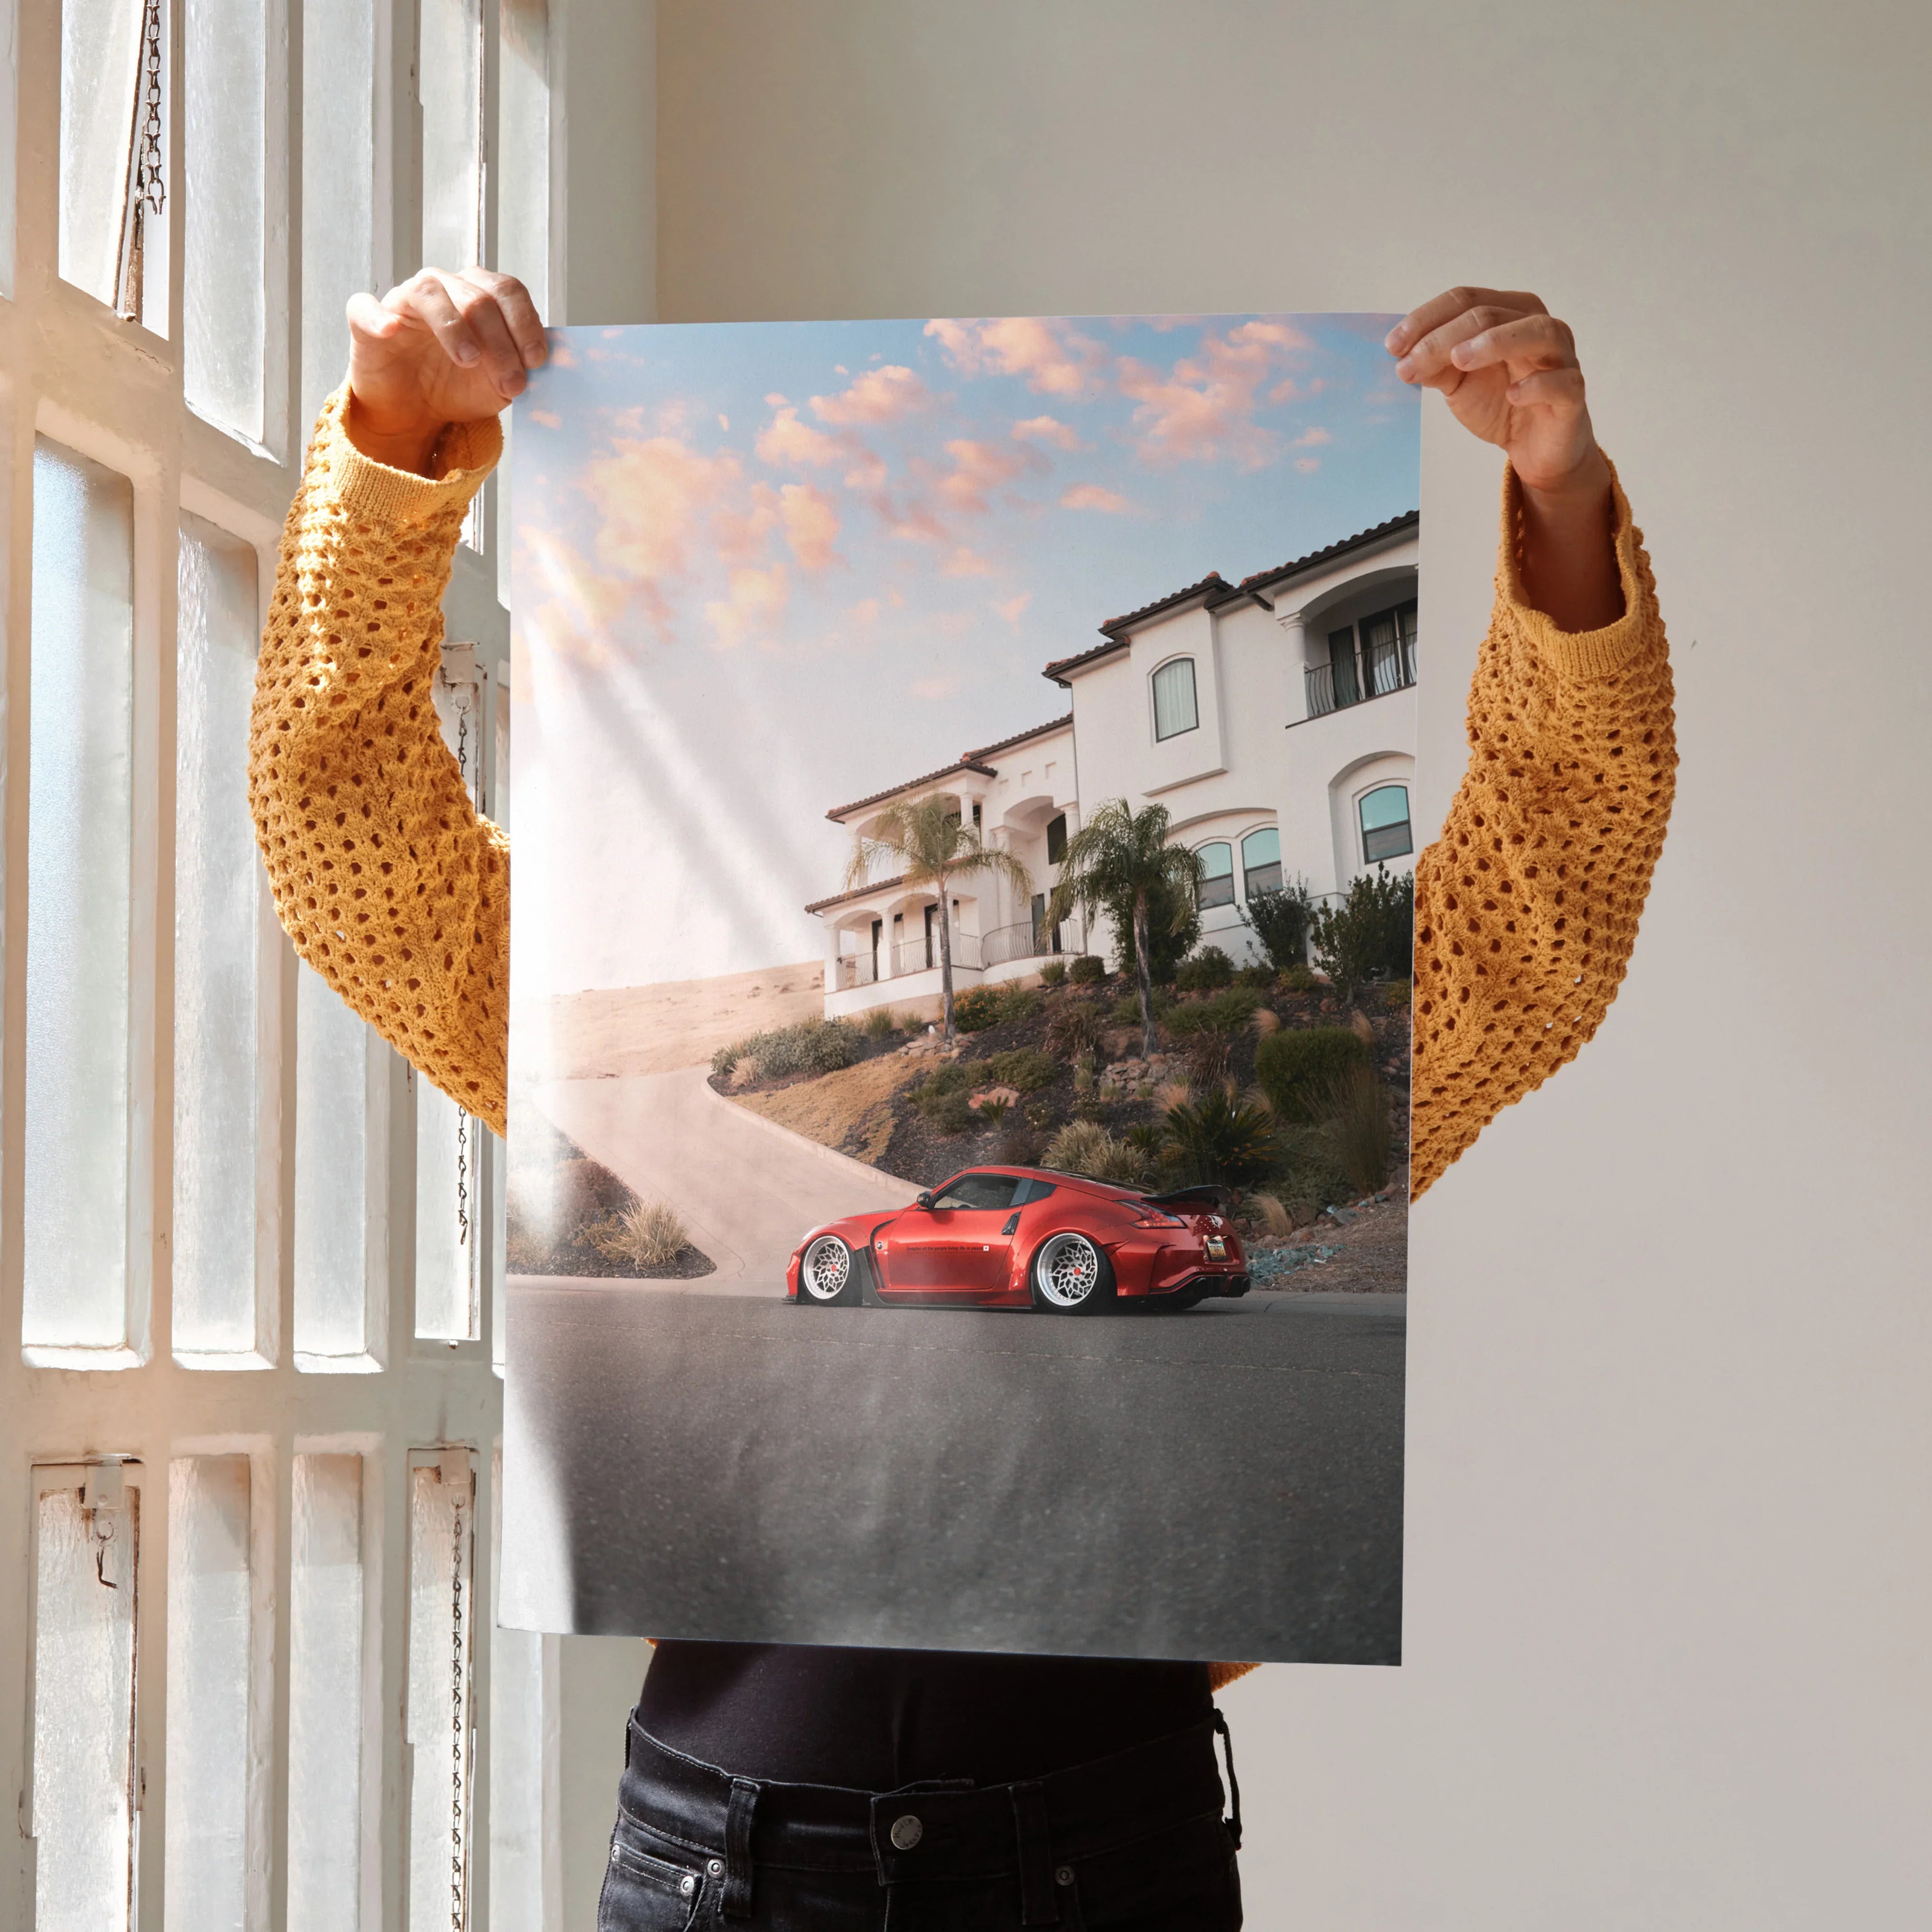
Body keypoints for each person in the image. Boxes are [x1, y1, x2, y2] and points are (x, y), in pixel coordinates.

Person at [250, 271, 1674, 1929]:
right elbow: (346, 844)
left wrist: (1561, 497)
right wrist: (392, 446)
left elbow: (1551, 901)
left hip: (1104, 1853)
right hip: (728, 1865)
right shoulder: (584, 1029)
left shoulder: (1329, 1051)